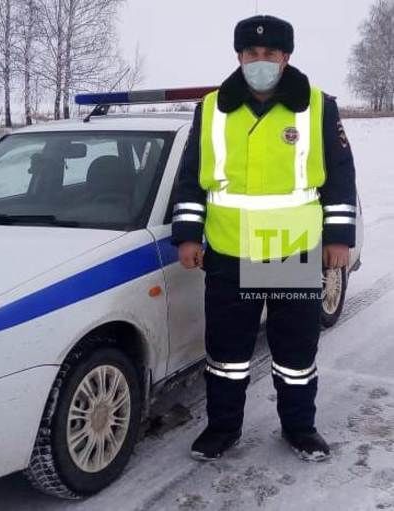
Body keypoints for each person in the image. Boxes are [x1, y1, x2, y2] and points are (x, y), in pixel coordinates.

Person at [171, 14, 357, 462]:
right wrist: (187, 235)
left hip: (289, 246)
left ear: (286, 57)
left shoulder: (316, 105)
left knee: (295, 352)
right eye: (251, 54)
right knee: (227, 354)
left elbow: (340, 178)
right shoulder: (212, 108)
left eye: (270, 54)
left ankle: (299, 428)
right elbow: (192, 179)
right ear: (238, 56)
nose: (260, 61)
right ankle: (222, 430)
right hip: (230, 249)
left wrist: (339, 238)